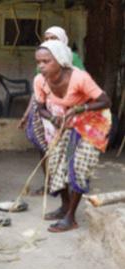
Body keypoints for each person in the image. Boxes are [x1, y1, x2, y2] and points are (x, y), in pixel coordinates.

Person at [34, 40, 111, 232]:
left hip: (94, 121)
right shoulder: (39, 81)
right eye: (39, 62)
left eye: (46, 61)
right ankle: (64, 206)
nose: (41, 66)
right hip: (68, 120)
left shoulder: (79, 78)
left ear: (60, 60)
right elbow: (41, 108)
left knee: (79, 165)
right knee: (54, 163)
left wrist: (80, 107)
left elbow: (105, 101)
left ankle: (70, 218)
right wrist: (53, 118)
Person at [18, 26, 86, 195]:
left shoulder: (73, 58)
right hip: (45, 111)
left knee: (64, 150)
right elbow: (37, 89)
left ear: (62, 39)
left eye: (53, 38)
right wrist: (27, 114)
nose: (49, 42)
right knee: (43, 148)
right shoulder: (43, 59)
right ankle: (48, 182)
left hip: (64, 110)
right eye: (46, 38)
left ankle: (63, 185)